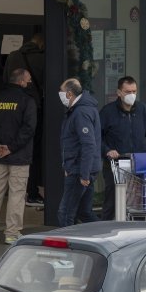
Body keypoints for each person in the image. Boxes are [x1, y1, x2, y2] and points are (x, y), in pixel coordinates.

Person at [0, 68, 37, 245]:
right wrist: (11, 148)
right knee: (17, 194)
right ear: (20, 81)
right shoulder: (27, 101)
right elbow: (29, 129)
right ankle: (12, 233)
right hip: (19, 156)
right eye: (27, 80)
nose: (29, 83)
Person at [99, 76, 146, 220]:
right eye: (128, 92)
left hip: (138, 162)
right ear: (119, 93)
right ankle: (105, 229)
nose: (131, 95)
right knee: (113, 200)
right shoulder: (108, 112)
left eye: (134, 91)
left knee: (137, 199)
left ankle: (136, 228)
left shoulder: (142, 109)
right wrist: (107, 150)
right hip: (116, 164)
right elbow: (97, 137)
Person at [4, 33, 45, 207]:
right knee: (33, 150)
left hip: (12, 108)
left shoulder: (13, 56)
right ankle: (32, 191)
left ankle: (13, 190)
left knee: (12, 145)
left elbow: (6, 80)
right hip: (34, 108)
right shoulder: (42, 59)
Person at [58, 78, 101, 227]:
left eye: (62, 92)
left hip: (79, 170)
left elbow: (88, 144)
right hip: (82, 168)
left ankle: (68, 247)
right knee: (84, 212)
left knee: (65, 213)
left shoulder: (81, 112)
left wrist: (83, 174)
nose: (60, 95)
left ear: (69, 94)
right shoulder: (80, 110)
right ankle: (105, 235)